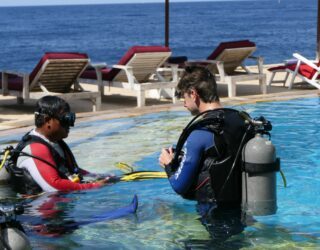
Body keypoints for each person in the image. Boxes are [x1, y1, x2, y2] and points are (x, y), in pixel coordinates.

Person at [159, 66, 249, 242]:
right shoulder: (239, 120)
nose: (183, 103)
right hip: (241, 208)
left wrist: (168, 164)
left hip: (215, 215)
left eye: (183, 96)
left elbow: (179, 185)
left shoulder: (199, 135)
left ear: (193, 94)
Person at [8, 96, 113, 195]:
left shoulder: (55, 141)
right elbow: (54, 187)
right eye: (65, 119)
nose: (70, 124)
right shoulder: (37, 148)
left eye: (71, 118)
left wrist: (97, 176)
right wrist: (94, 186)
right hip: (38, 210)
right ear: (48, 121)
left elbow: (71, 169)